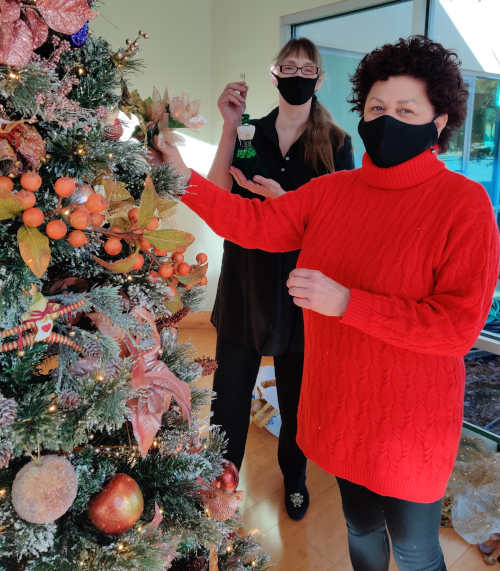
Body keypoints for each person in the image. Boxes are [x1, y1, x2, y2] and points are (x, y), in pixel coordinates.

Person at [157, 36, 499, 571]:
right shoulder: (333, 192)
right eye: (377, 108)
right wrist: (183, 178)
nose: (387, 120)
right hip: (341, 410)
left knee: (415, 551)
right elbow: (253, 223)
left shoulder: (464, 204)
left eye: (406, 110)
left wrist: (347, 304)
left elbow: (456, 328)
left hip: (409, 425)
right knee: (360, 531)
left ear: (439, 122)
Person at [205, 37, 354, 521]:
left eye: (307, 69)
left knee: (296, 401)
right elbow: (217, 196)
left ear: (319, 78)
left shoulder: (337, 144)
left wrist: (283, 200)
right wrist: (228, 126)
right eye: (288, 67)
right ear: (274, 75)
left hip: (301, 288)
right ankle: (218, 486)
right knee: (228, 400)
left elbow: (341, 226)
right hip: (244, 281)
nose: (297, 75)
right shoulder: (250, 132)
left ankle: (294, 477)